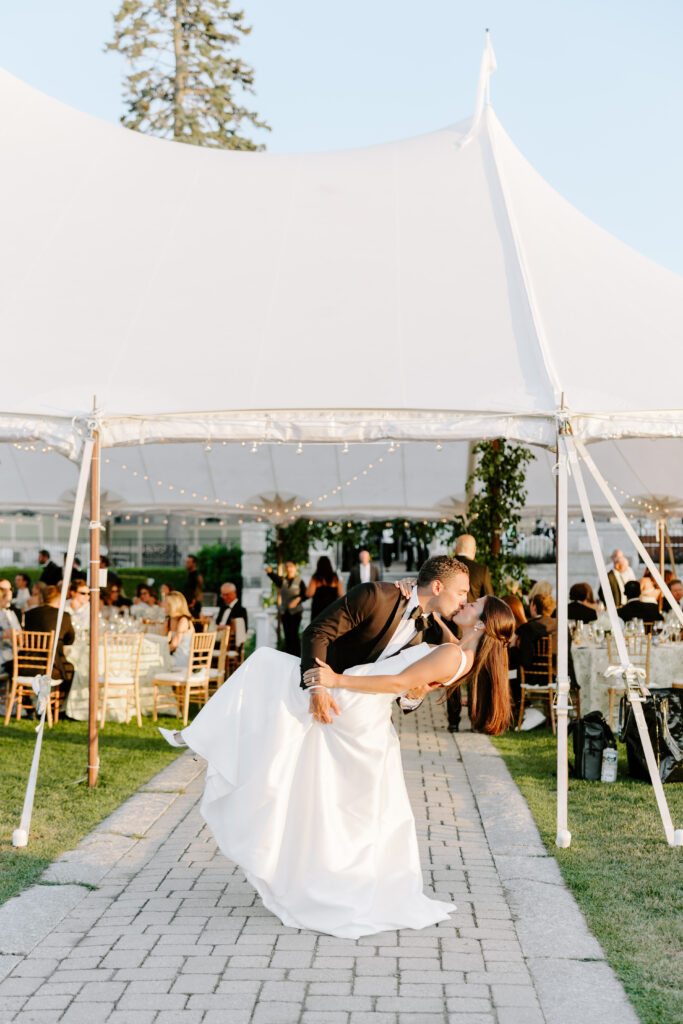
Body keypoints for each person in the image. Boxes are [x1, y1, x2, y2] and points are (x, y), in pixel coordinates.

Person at [159, 592, 514, 938]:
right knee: (334, 797)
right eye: (467, 596)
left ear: (482, 625)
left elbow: (399, 682)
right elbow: (424, 675)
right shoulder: (458, 651)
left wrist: (334, 680)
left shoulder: (452, 654)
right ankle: (208, 740)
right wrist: (432, 613)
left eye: (474, 604)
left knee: (265, 665)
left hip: (353, 699)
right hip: (365, 710)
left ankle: (204, 738)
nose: (466, 602)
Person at [301, 556, 471, 724]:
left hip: (371, 718)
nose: (464, 602)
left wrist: (415, 696)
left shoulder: (432, 634)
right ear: (436, 586)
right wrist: (317, 690)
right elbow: (317, 632)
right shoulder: (376, 596)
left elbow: (402, 699)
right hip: (324, 704)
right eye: (461, 593)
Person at [447, 535, 495, 731]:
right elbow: (490, 600)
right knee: (474, 675)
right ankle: (474, 720)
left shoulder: (448, 569)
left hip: (450, 627)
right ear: (474, 550)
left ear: (456, 549)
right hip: (473, 630)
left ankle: (453, 722)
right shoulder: (481, 570)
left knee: (451, 676)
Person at [24, 585, 75, 692]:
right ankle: (57, 705)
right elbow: (70, 639)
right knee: (71, 672)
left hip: (26, 665)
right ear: (59, 599)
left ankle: (28, 705)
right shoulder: (64, 616)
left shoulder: (30, 614)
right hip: (52, 667)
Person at [265, 561, 307, 656]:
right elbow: (274, 578)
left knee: (294, 634)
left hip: (296, 612)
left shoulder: (299, 581)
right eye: (287, 567)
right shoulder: (282, 581)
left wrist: (298, 599)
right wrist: (269, 572)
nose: (289, 569)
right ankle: (288, 655)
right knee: (287, 635)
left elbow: (305, 594)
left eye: (291, 567)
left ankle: (297, 655)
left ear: (295, 568)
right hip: (285, 612)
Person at [306, 557, 344, 621]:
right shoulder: (335, 578)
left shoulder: (315, 578)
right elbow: (341, 594)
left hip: (318, 610)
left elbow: (309, 594)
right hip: (332, 609)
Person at [163, 591, 195, 666]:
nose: (163, 605)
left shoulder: (183, 620)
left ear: (173, 605)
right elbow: (162, 640)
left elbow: (174, 644)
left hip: (182, 658)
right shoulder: (168, 620)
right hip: (171, 656)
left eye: (165, 603)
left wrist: (159, 652)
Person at [214, 582, 248, 648]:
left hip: (229, 643)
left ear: (234, 592)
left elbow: (242, 630)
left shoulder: (241, 610)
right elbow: (217, 623)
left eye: (227, 595)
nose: (224, 597)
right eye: (223, 595)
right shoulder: (223, 608)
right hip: (217, 639)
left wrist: (226, 627)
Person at [0, 579, 21, 673]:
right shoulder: (5, 614)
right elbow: (17, 638)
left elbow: (19, 638)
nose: (8, 592)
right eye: (3, 589)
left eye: (10, 589)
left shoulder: (11, 612)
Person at [182, 554, 204, 619]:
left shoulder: (197, 576)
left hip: (193, 606)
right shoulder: (189, 575)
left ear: (194, 564)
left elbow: (197, 590)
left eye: (188, 562)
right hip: (188, 604)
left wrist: (193, 602)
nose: (186, 564)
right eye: (186, 562)